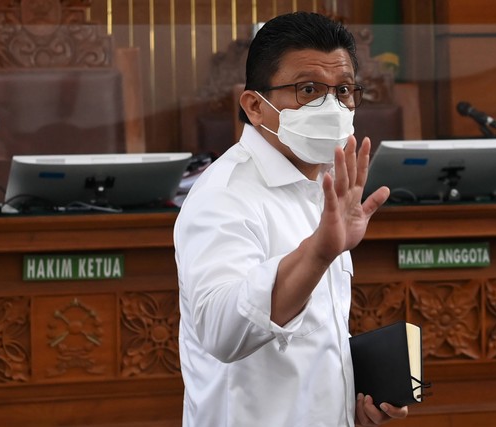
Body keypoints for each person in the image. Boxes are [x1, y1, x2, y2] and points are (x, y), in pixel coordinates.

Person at [174, 11, 408, 427]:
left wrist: (351, 399)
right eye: (308, 90)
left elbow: (312, 338)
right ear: (255, 106)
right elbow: (222, 333)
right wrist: (318, 253)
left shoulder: (328, 182)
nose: (331, 105)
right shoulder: (223, 196)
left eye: (344, 91)